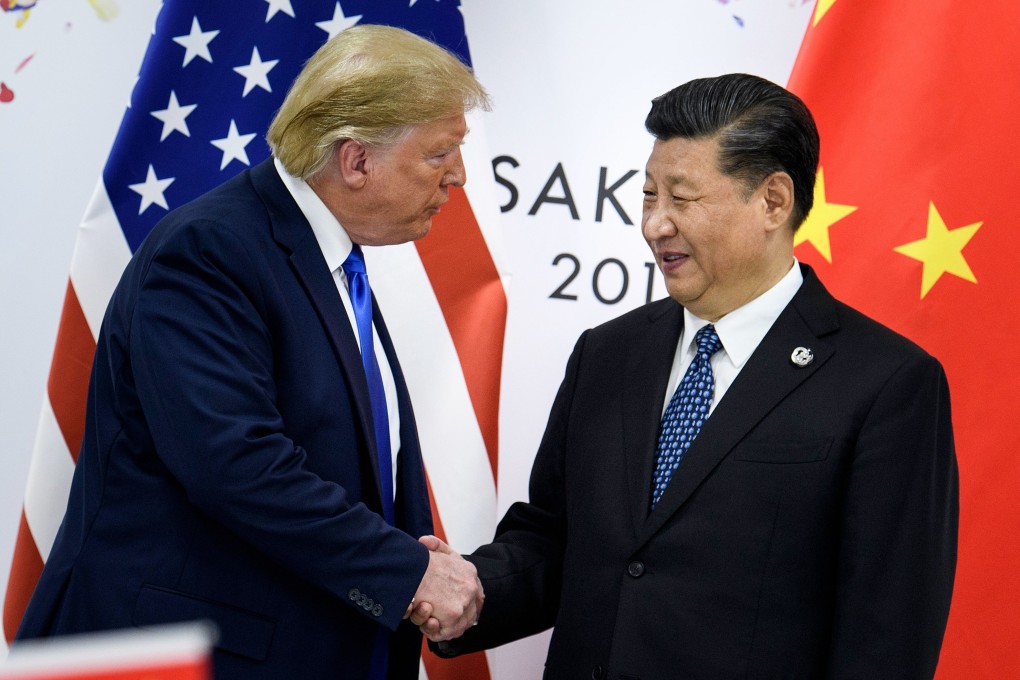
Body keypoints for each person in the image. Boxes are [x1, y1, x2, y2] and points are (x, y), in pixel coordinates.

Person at [420, 73, 959, 679]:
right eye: (649, 195)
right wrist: (462, 589)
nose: (655, 224)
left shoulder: (887, 384)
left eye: (682, 197)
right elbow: (554, 541)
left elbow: (886, 637)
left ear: (773, 202)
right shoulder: (608, 353)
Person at [15, 24, 487, 680]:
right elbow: (235, 464)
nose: (458, 178)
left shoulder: (326, 263)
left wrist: (408, 559)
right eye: (440, 154)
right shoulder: (210, 251)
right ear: (355, 160)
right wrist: (408, 572)